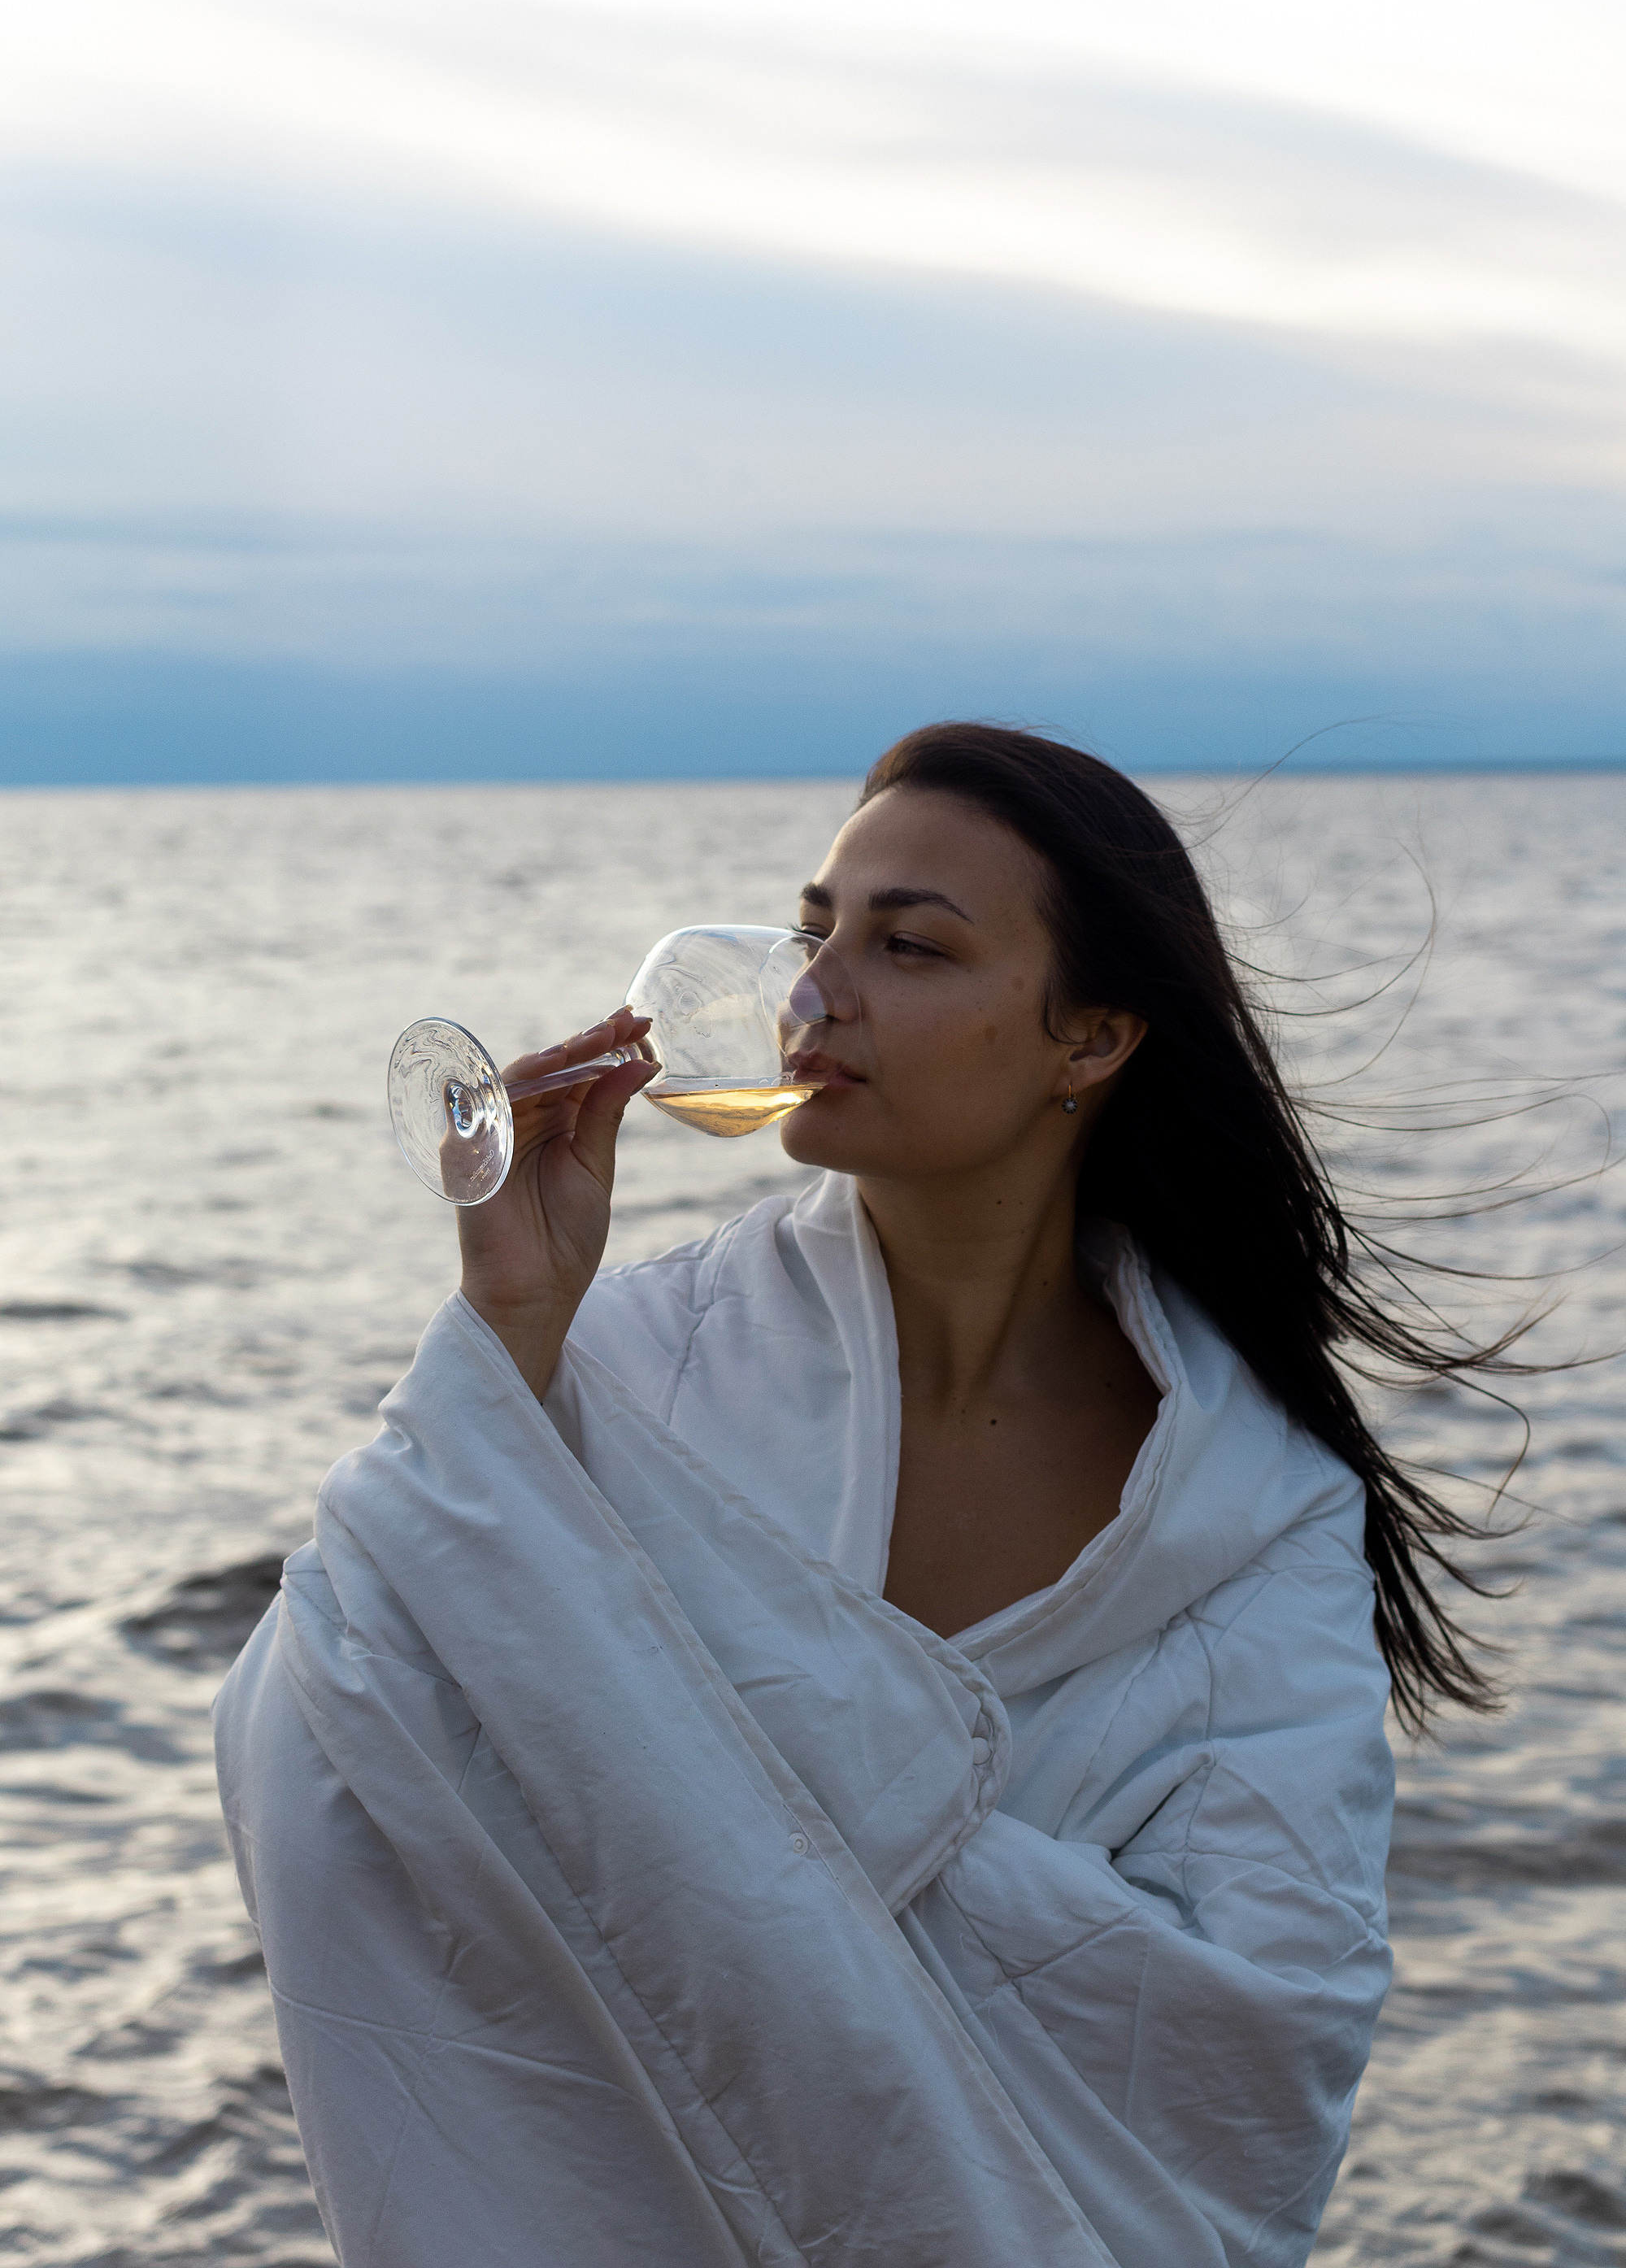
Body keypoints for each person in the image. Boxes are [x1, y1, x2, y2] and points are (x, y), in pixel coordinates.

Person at [215, 723, 1498, 2267]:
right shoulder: (630, 1360)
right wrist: (507, 1331)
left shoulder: (1254, 1503)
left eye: (910, 947)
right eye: (816, 928)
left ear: (1089, 1037)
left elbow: (1247, 2057)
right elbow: (320, 1735)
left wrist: (746, 1832)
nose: (814, 994)